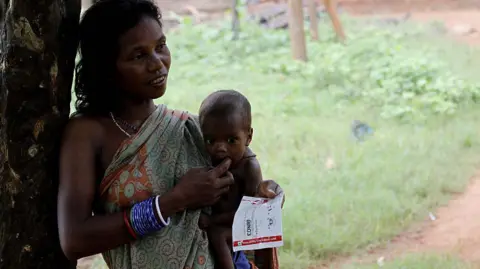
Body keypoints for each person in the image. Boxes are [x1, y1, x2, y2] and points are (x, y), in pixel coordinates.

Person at [56, 0, 284, 269]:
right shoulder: (88, 133)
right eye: (139, 56)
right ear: (107, 66)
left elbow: (249, 177)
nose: (158, 64)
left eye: (161, 47)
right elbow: (74, 239)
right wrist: (172, 201)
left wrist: (268, 194)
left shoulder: (193, 128)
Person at [197, 90, 262, 269]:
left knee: (217, 235)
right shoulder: (207, 158)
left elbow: (251, 214)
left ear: (248, 137)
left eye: (231, 140)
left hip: (244, 225)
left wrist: (213, 221)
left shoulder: (249, 168)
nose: (220, 148)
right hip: (223, 221)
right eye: (211, 140)